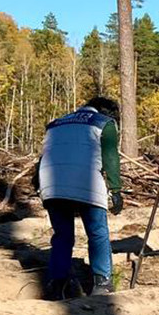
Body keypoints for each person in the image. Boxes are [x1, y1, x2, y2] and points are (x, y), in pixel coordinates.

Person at [34, 97, 123, 299]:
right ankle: (102, 282)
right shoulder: (104, 123)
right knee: (97, 233)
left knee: (62, 236)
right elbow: (110, 157)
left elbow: (45, 156)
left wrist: (39, 186)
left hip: (52, 184)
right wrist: (116, 190)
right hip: (86, 183)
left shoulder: (55, 124)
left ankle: (57, 284)